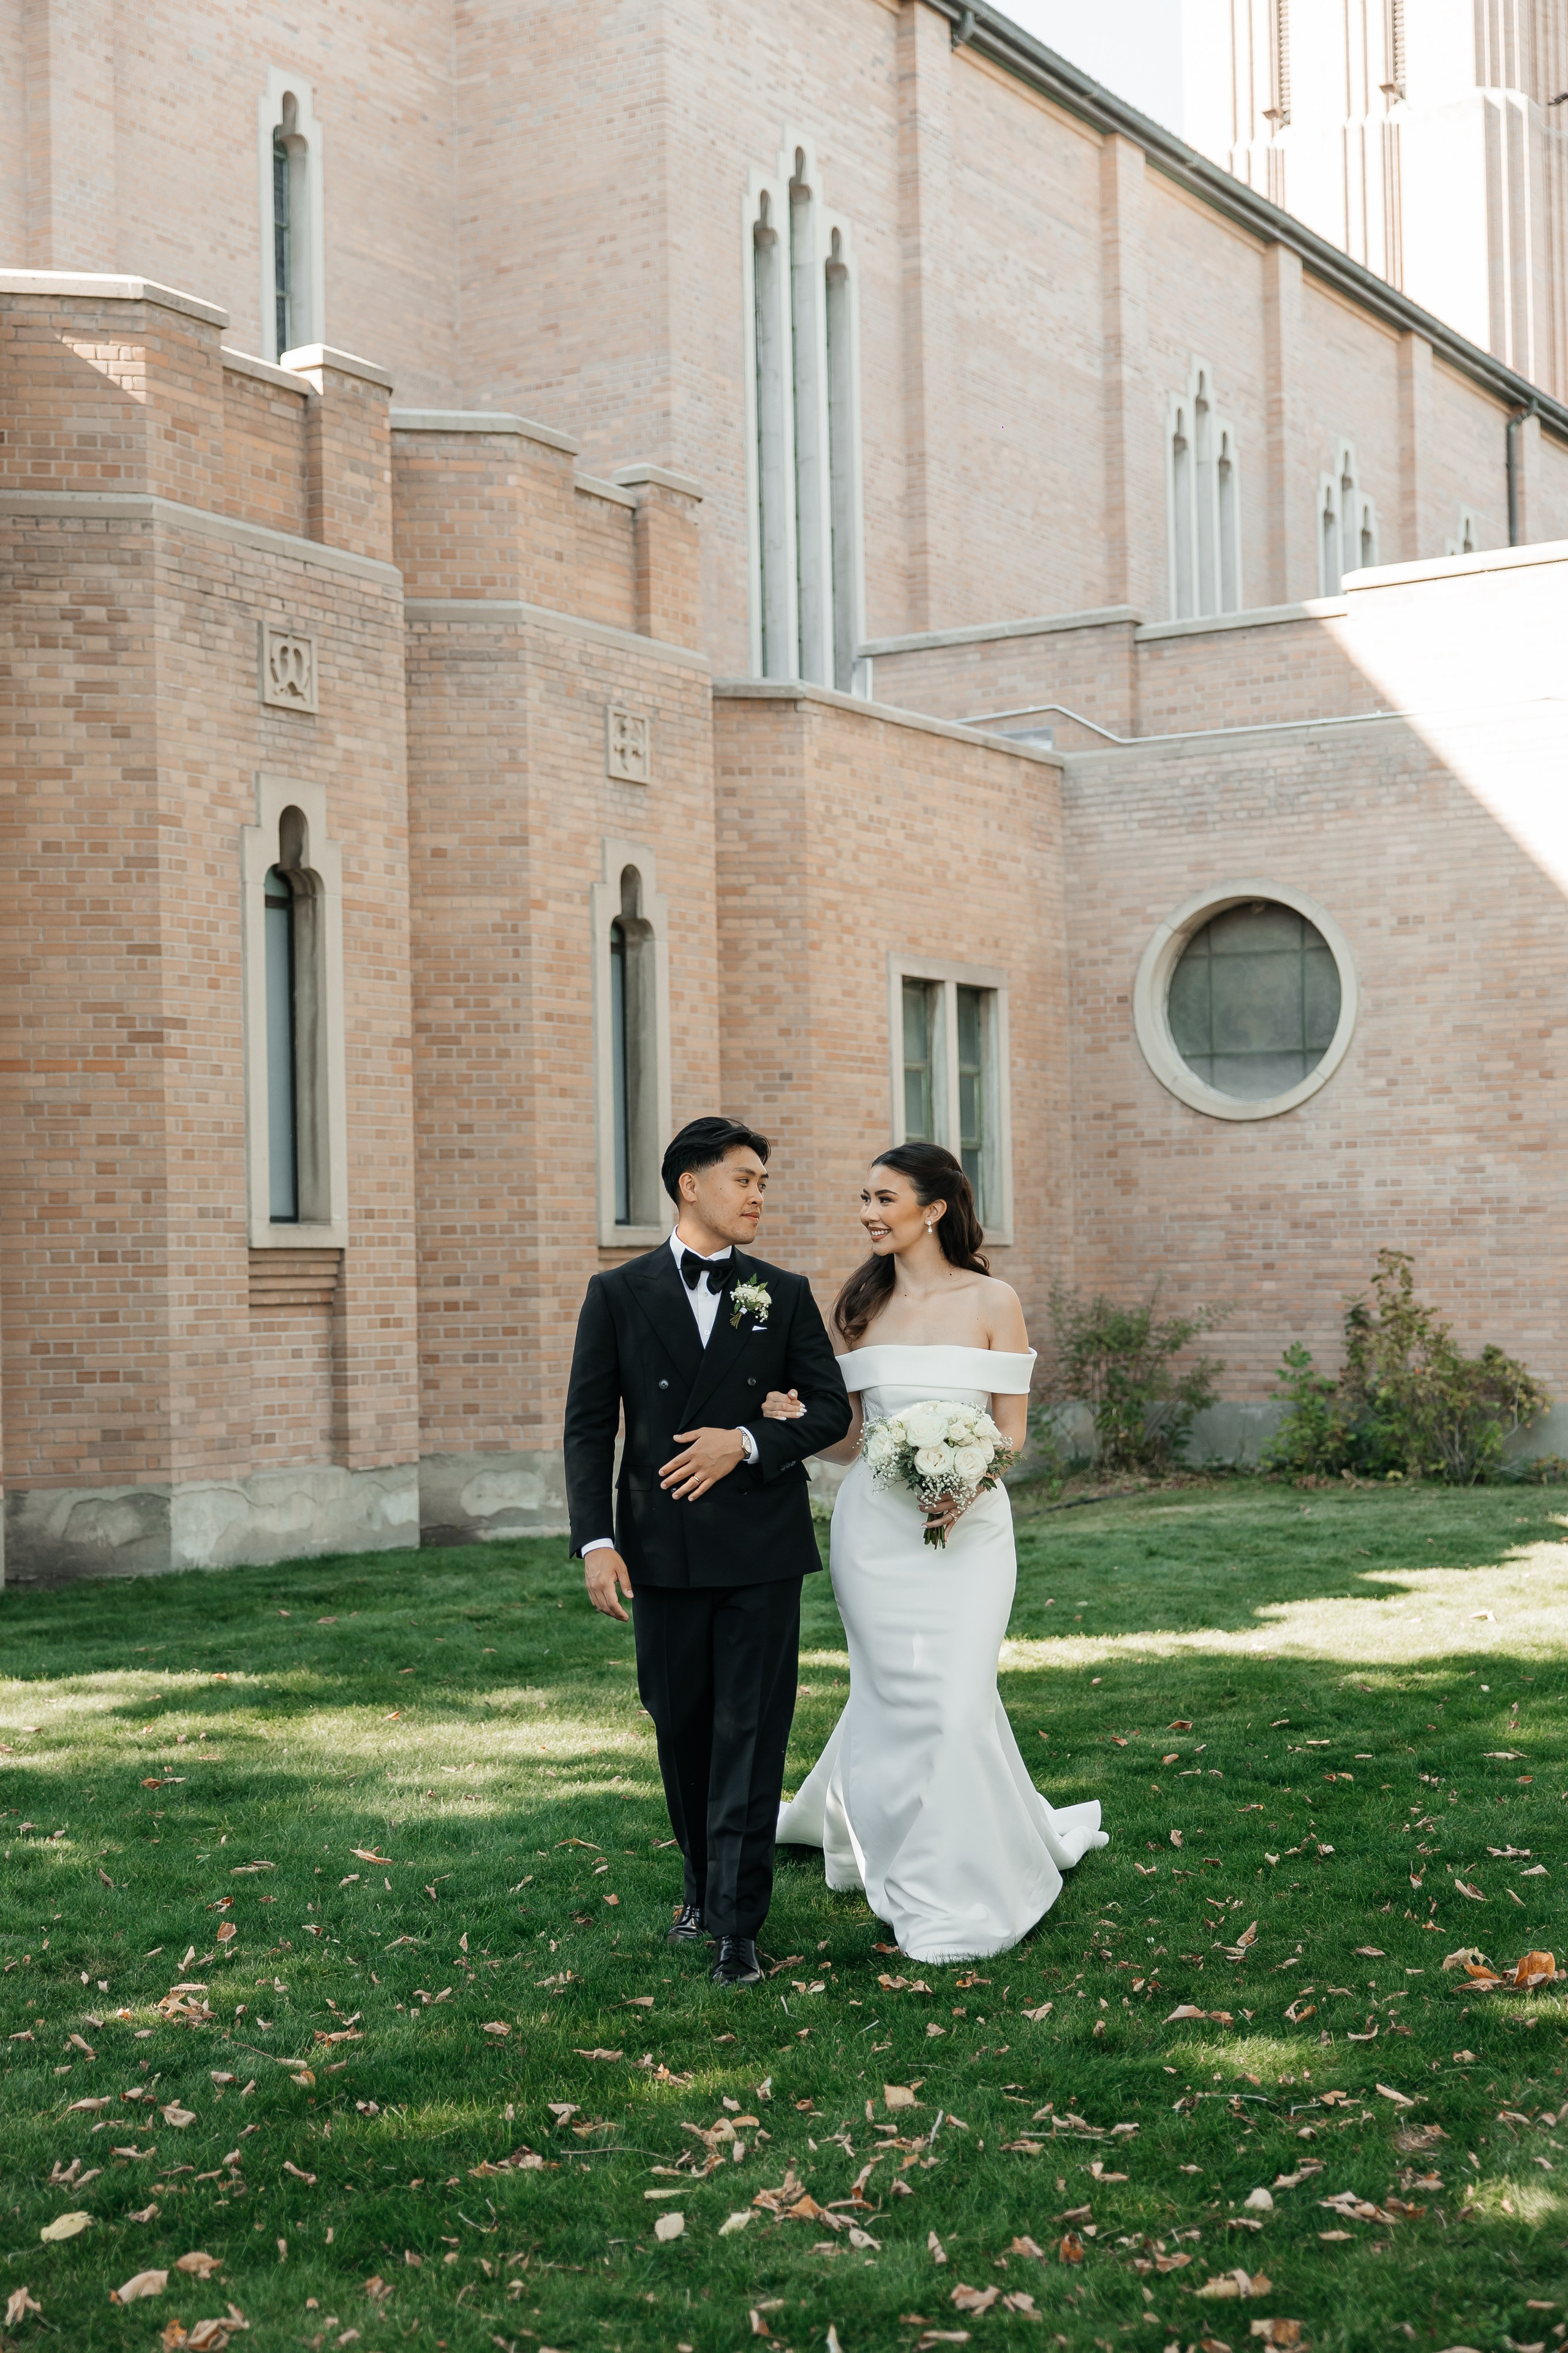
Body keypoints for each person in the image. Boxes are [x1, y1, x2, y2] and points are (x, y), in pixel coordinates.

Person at [771, 1141, 1107, 1963]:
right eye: (864, 1197)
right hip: (874, 1532)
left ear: (934, 1208)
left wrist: (968, 1476)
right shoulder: (858, 1305)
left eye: (884, 1198)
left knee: (956, 1697)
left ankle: (961, 1876)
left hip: (972, 1529)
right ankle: (892, 1842)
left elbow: (1013, 1428)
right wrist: (796, 1419)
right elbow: (851, 1440)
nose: (868, 1213)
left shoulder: (995, 1299)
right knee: (890, 1691)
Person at [563, 1116, 851, 1987]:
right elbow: (587, 1427)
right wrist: (597, 1542)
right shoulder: (616, 1294)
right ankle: (700, 1880)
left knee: (750, 1734)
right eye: (744, 1179)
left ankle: (736, 1925)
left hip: (761, 1548)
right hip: (660, 1550)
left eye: (763, 1181)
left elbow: (833, 1411)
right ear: (691, 1184)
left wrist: (748, 1440)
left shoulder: (784, 1291)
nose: (759, 1195)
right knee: (681, 1724)